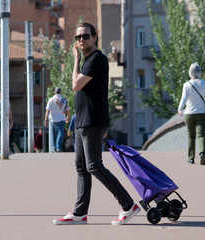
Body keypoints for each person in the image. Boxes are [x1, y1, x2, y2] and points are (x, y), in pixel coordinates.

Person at [53, 22, 140, 225]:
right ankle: (79, 213)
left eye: (85, 36)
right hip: (83, 121)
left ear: (95, 37)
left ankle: (128, 205)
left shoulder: (97, 59)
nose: (81, 40)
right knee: (82, 167)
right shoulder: (88, 61)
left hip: (93, 120)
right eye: (78, 37)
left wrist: (75, 59)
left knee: (93, 165)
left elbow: (75, 85)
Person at [178, 62, 205, 165]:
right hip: (202, 113)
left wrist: (180, 109)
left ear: (190, 72)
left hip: (189, 114)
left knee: (191, 136)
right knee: (201, 135)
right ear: (200, 72)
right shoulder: (204, 83)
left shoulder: (186, 85)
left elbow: (184, 98)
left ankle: (191, 158)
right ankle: (202, 153)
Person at [44, 87, 70, 152]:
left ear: (54, 92)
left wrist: (46, 120)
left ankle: (54, 148)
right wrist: (68, 117)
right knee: (60, 133)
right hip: (61, 119)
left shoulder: (51, 100)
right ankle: (58, 147)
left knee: (53, 134)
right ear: (61, 92)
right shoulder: (64, 100)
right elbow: (68, 110)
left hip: (53, 120)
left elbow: (47, 111)